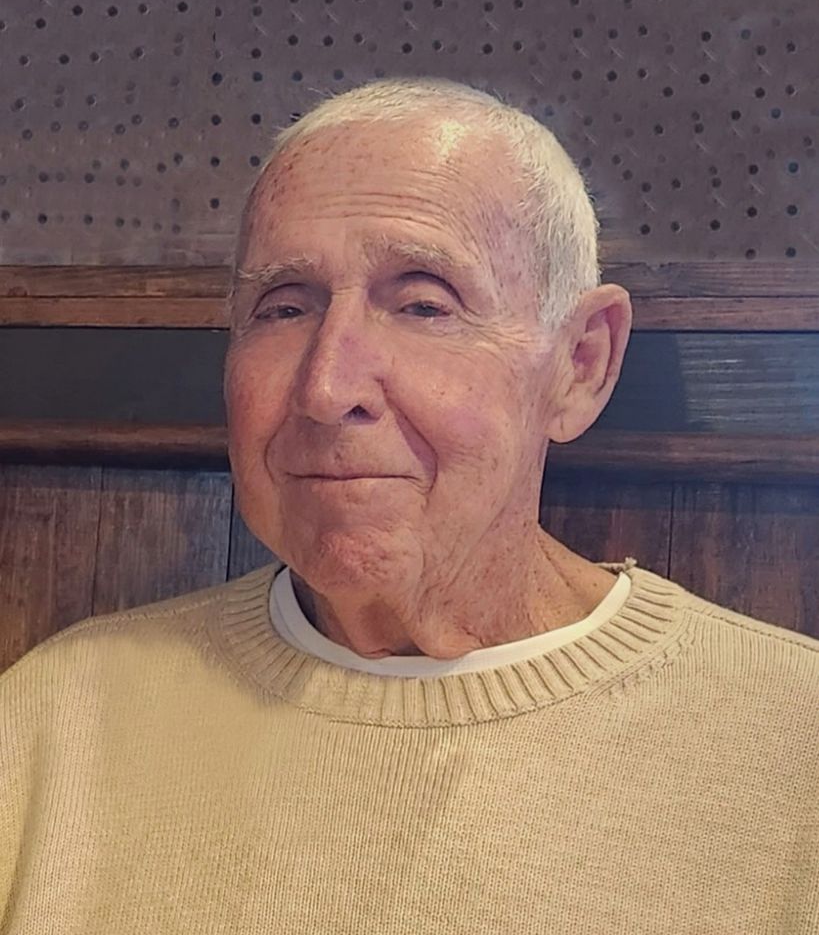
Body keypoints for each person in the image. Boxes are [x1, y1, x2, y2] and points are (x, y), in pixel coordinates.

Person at [1, 78, 817, 934]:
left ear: (578, 365)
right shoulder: (61, 721)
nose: (326, 388)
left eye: (423, 304)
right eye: (284, 308)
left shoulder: (784, 748)